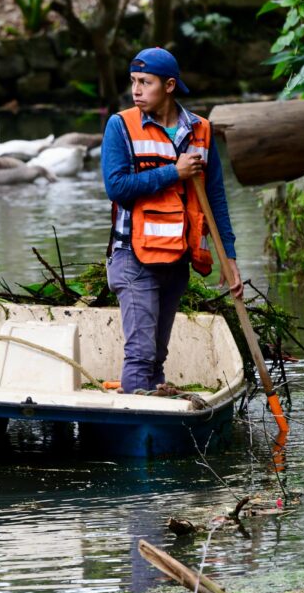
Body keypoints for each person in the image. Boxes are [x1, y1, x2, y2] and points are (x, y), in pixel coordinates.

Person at [101, 47, 243, 395]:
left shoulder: (201, 131)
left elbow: (216, 200)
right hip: (132, 257)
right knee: (140, 354)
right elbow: (116, 187)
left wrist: (230, 258)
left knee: (157, 356)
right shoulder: (120, 126)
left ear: (169, 85)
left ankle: (154, 427)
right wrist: (174, 172)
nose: (136, 90)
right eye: (133, 81)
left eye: (145, 83)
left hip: (176, 259)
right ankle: (136, 426)